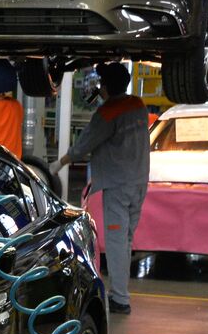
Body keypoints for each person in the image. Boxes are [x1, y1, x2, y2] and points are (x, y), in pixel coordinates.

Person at [51, 62, 150, 315]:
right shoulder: (138, 105)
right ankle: (120, 291)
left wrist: (58, 164)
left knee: (116, 242)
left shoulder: (107, 113)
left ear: (104, 86)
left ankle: (120, 299)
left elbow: (83, 146)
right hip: (139, 183)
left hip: (118, 187)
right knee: (126, 239)